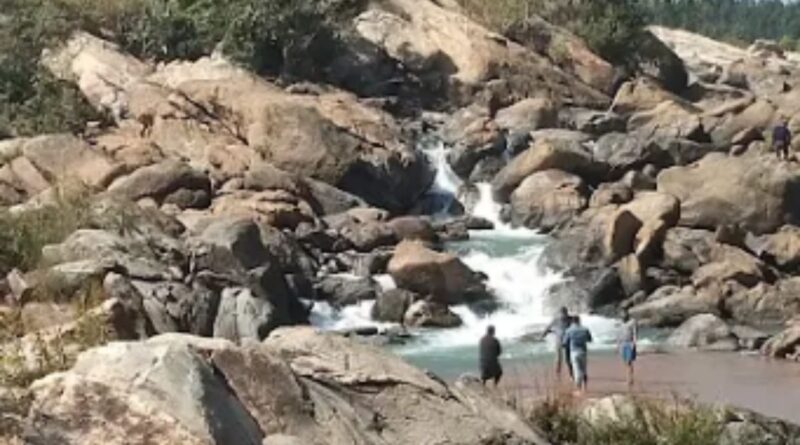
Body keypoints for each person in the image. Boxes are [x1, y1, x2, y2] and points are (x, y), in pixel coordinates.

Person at [562, 316, 593, 394]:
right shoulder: (585, 329)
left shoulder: (569, 330)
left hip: (574, 352)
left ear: (572, 321)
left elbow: (565, 342)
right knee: (584, 370)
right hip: (583, 351)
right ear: (579, 321)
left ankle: (578, 389)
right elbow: (590, 339)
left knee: (576, 371)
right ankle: (585, 388)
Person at [542, 307, 572, 378]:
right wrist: (544, 334)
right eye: (562, 313)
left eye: (565, 313)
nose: (563, 315)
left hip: (568, 341)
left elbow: (576, 326)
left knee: (568, 359)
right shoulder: (556, 320)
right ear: (559, 313)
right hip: (559, 341)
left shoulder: (570, 319)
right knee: (558, 359)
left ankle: (571, 374)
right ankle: (558, 374)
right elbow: (548, 328)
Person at [618, 309, 638, 389]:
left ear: (627, 314)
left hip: (629, 343)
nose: (622, 316)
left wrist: (634, 343)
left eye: (623, 314)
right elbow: (619, 334)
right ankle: (628, 379)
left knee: (629, 362)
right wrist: (618, 345)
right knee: (625, 363)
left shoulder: (632, 322)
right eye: (621, 314)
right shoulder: (621, 323)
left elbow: (635, 332)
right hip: (623, 344)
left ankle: (630, 380)